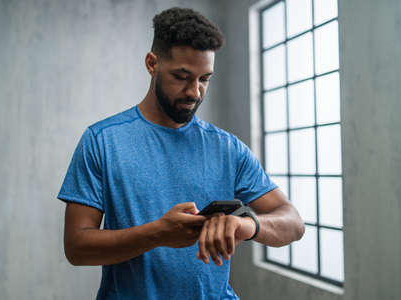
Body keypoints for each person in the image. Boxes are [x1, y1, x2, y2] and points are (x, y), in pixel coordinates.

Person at [57, 7, 305, 300]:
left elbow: (293, 223)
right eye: (182, 76)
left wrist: (243, 225)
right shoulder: (102, 141)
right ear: (152, 63)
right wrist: (158, 233)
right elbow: (76, 247)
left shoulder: (228, 148)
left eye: (204, 79)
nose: (195, 92)